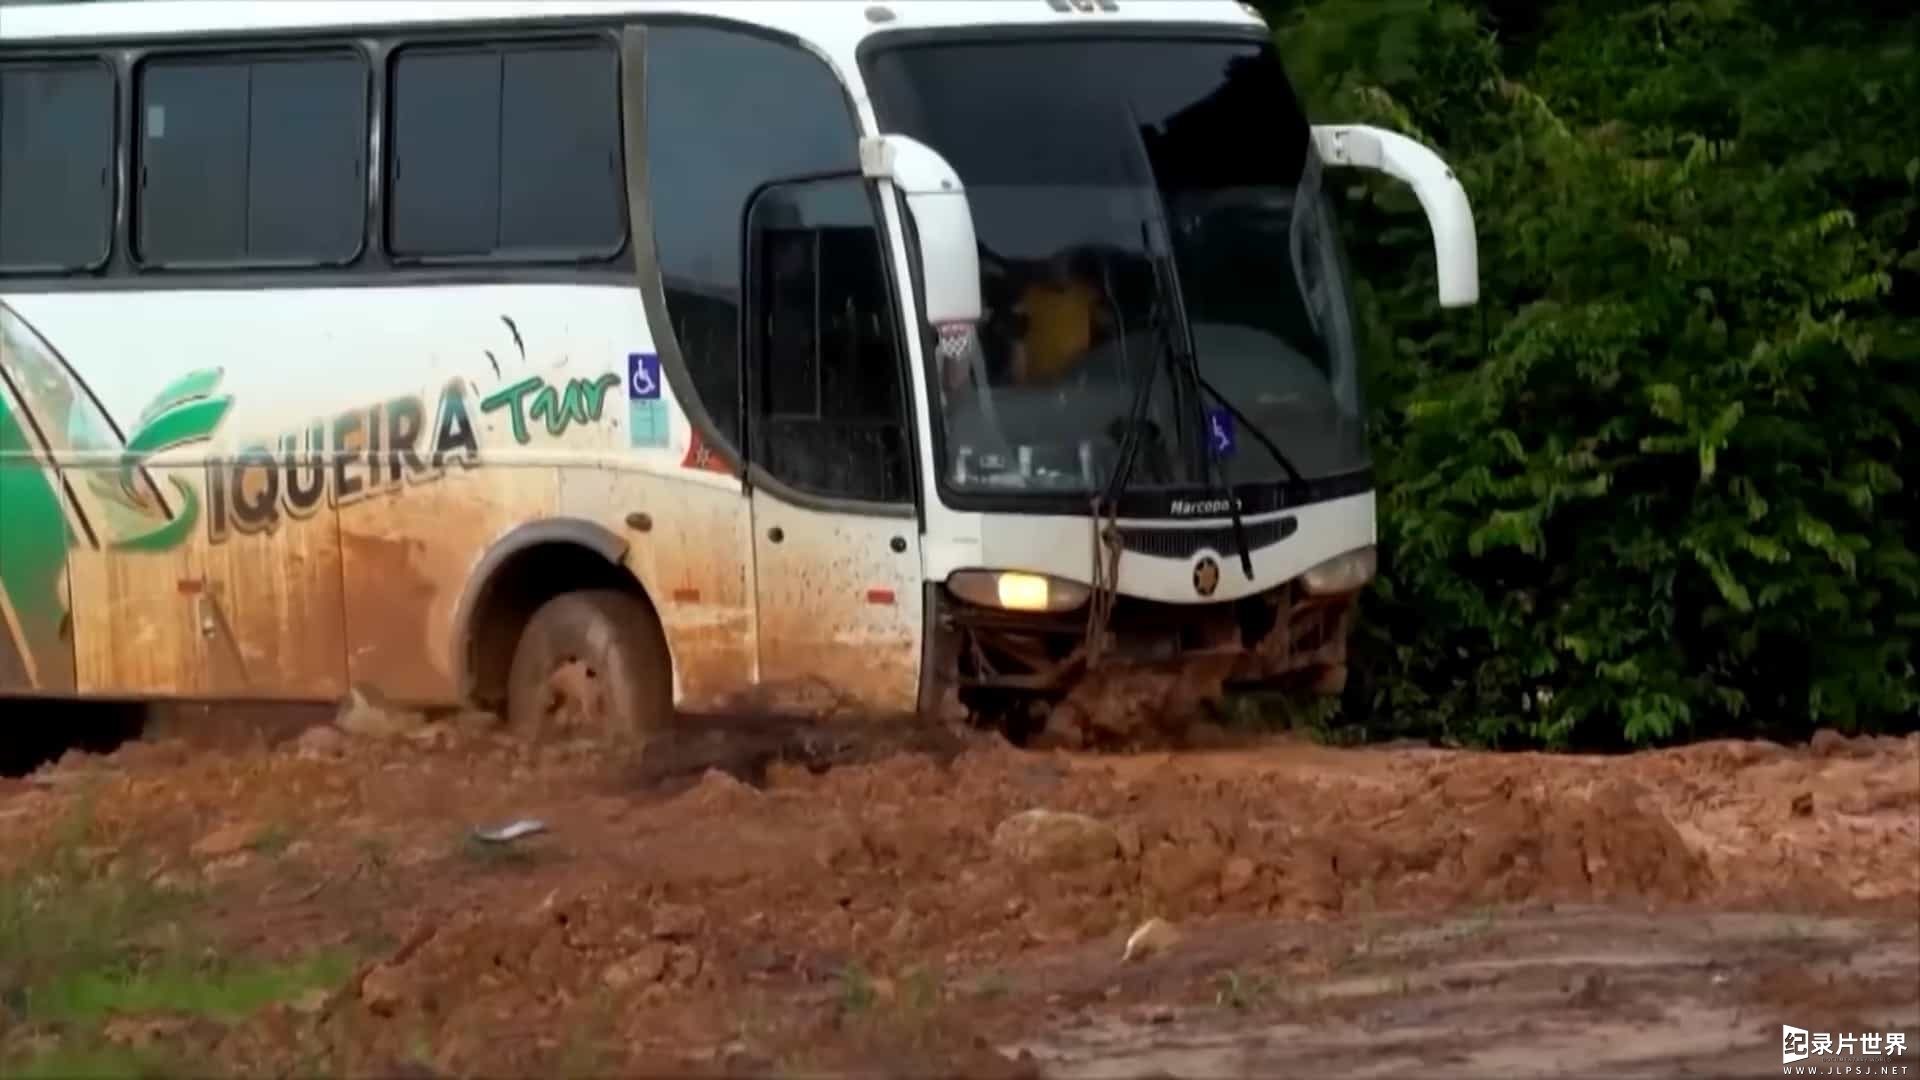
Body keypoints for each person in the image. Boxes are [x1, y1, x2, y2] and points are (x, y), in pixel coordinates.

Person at [1010, 249, 1110, 388]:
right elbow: (1017, 333)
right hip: (1037, 380)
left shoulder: (1086, 293)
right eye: (1055, 267)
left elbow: (1106, 324)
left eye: (1065, 267)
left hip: (1075, 378)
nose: (1061, 272)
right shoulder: (1032, 295)